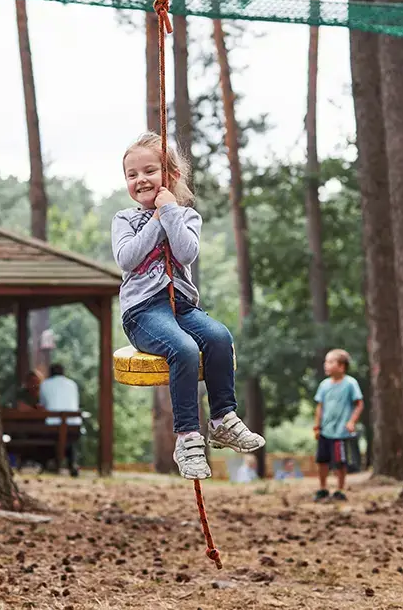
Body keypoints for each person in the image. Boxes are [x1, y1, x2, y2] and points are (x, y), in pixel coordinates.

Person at [111, 132, 265, 481]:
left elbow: (186, 252)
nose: (140, 180)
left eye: (149, 171)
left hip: (179, 306)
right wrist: (156, 219)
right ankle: (187, 438)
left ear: (172, 176)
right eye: (131, 175)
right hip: (143, 313)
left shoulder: (186, 217)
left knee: (219, 337)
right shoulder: (124, 220)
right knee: (183, 348)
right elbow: (128, 258)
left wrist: (170, 212)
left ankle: (223, 418)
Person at [313, 348, 364, 502]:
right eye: (326, 362)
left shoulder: (350, 383)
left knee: (340, 462)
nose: (326, 365)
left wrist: (352, 421)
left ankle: (340, 489)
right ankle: (323, 488)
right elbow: (320, 406)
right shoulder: (324, 385)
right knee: (322, 460)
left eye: (330, 362)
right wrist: (317, 426)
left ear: (341, 366)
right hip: (325, 430)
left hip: (340, 432)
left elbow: (359, 404)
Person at [40, 363, 82, 477]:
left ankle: (52, 462)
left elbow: (42, 404)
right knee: (70, 439)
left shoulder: (45, 384)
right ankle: (72, 463)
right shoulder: (72, 384)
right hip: (73, 424)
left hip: (53, 425)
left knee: (54, 438)